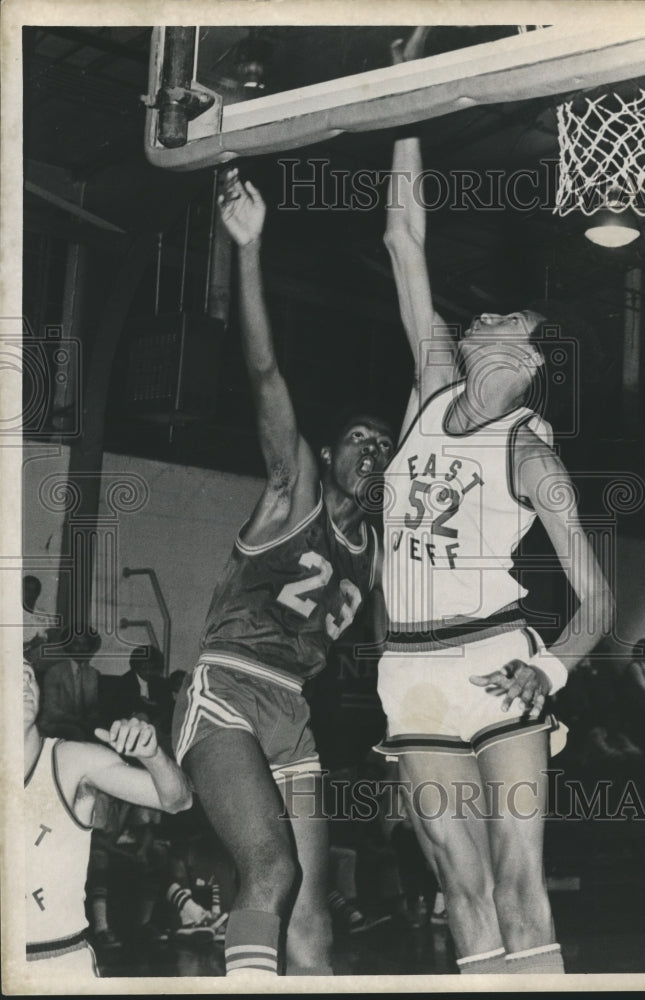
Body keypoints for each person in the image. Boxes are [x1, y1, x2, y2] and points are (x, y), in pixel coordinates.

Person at [374, 28, 613, 975]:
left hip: (494, 660)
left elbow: (596, 600)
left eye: (506, 318)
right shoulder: (431, 386)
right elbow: (401, 237)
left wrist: (548, 673)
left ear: (526, 362)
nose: (483, 316)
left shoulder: (532, 460)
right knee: (459, 893)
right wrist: (403, 101)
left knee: (519, 889)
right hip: (409, 670)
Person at [171, 167, 394, 978]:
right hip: (228, 691)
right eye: (360, 438)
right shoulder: (291, 490)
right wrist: (249, 250)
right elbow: (266, 375)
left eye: (384, 444)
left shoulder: (374, 552)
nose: (373, 450)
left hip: (292, 716)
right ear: (328, 453)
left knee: (312, 931)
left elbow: (395, 647)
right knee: (272, 869)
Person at [24, 660, 192, 977]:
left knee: (150, 857)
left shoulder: (74, 760)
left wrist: (152, 755)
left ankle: (170, 918)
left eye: (28, 675)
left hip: (58, 960)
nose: (22, 682)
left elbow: (178, 800)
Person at [39, 630, 103, 741]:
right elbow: (51, 710)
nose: (82, 649)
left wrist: (93, 722)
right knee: (76, 733)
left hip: (81, 724)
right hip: (54, 724)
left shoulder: (92, 673)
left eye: (85, 644)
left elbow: (93, 708)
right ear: (68, 647)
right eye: (77, 644)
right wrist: (79, 722)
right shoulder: (55, 672)